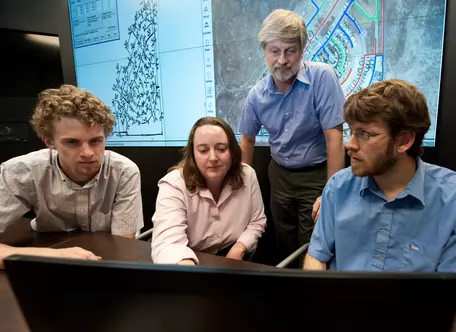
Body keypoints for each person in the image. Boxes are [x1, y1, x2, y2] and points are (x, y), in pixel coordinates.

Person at [304, 79, 456, 272]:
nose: (349, 144)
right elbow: (316, 256)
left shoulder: (450, 200)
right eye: (350, 131)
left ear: (404, 141)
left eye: (364, 134)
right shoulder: (338, 187)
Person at [239, 9, 346, 265]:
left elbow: (335, 139)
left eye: (290, 51)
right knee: (284, 240)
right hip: (280, 174)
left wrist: (330, 192)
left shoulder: (322, 77)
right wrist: (241, 192)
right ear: (265, 52)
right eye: (274, 51)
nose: (282, 60)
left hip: (317, 173)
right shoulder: (257, 95)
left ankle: (309, 294)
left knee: (313, 243)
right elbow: (247, 142)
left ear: (302, 50)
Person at [0, 84, 144, 268]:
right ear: (49, 141)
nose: (88, 153)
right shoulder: (21, 171)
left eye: (96, 141)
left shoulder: (123, 172)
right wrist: (52, 256)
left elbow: (122, 251)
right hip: (44, 254)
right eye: (72, 142)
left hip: (104, 262)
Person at [151, 117, 266, 265]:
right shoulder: (174, 185)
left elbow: (256, 222)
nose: (213, 157)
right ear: (193, 154)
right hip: (190, 258)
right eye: (203, 150)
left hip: (233, 258)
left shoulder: (247, 175)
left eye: (221, 149)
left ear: (232, 151)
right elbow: (169, 244)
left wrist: (239, 248)